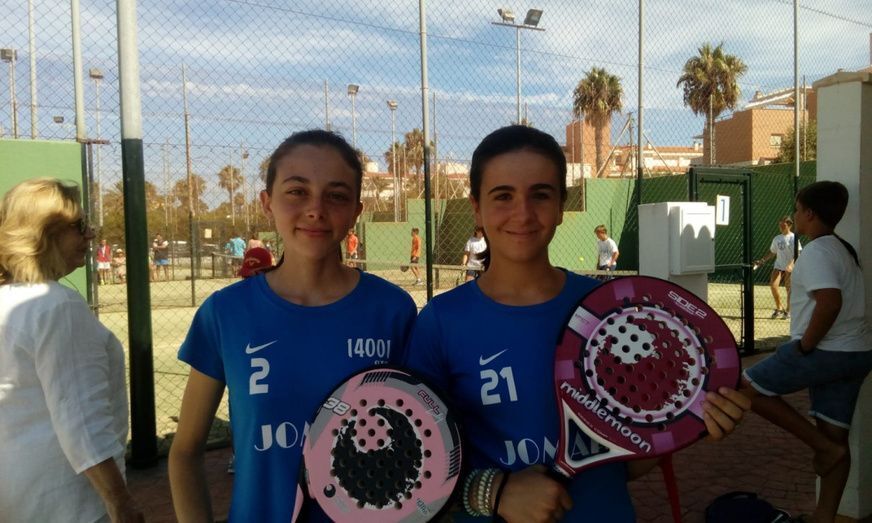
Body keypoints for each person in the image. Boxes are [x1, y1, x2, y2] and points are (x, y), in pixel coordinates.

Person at [404, 125, 750, 522]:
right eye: (503, 196)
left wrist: (694, 421)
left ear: (561, 206)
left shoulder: (610, 312)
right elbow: (414, 467)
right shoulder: (441, 322)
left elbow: (629, 458)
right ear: (477, 208)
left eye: (541, 194)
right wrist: (494, 494)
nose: (523, 213)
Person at [168, 130, 417, 522]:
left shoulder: (392, 310)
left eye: (336, 195)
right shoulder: (225, 313)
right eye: (297, 191)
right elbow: (185, 452)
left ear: (356, 210)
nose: (315, 209)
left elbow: (416, 444)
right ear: (267, 203)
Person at [0, 178, 142, 522]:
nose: (89, 235)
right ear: (43, 234)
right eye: (79, 226)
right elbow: (82, 422)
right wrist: (121, 506)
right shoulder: (56, 306)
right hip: (67, 503)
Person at [741, 181, 872, 523]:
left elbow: (829, 303)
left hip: (828, 351)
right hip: (857, 352)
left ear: (810, 213)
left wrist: (804, 346)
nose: (795, 215)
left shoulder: (816, 252)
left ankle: (822, 448)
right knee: (836, 434)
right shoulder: (843, 249)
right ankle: (824, 517)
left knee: (746, 387)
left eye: (798, 210)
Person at [753, 216, 801, 319]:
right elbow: (772, 252)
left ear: (789, 225)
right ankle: (779, 308)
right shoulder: (777, 238)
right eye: (780, 225)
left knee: (789, 289)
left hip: (791, 268)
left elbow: (798, 253)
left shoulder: (793, 238)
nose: (781, 227)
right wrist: (762, 261)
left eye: (783, 225)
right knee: (773, 286)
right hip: (778, 266)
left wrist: (791, 265)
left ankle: (788, 311)